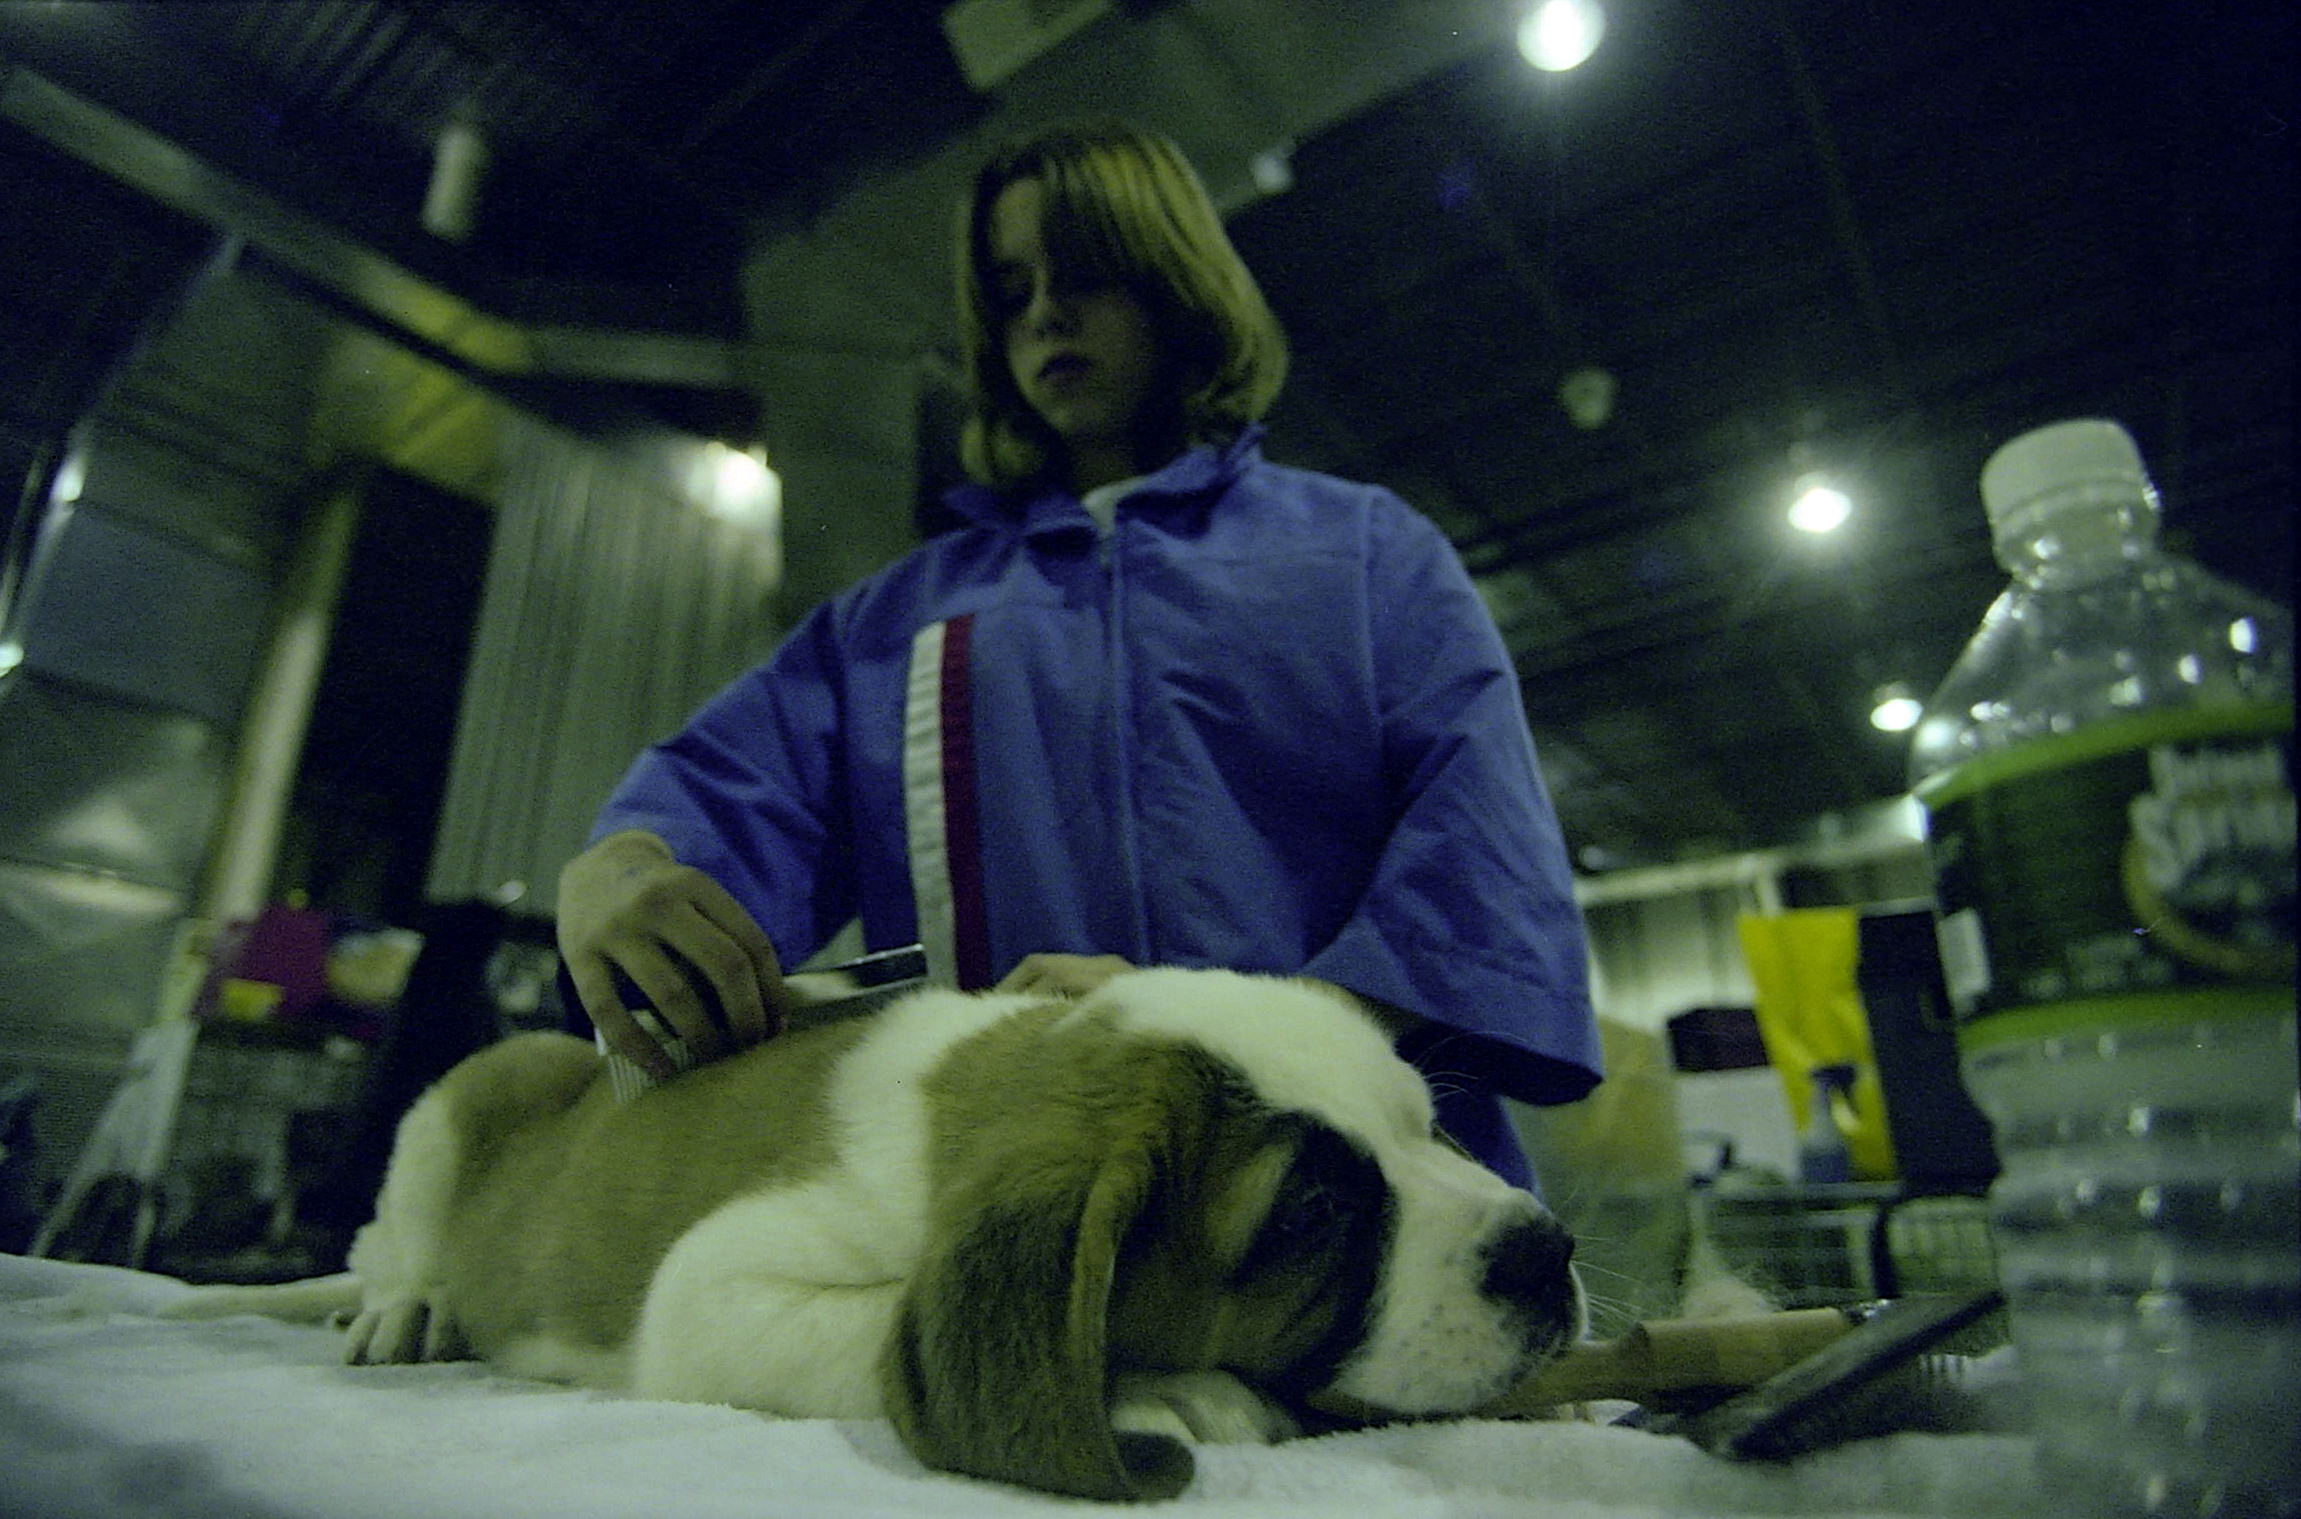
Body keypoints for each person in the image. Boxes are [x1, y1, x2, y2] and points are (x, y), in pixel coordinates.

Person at [555, 122, 1601, 1189]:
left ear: (1177, 282)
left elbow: (1481, 867)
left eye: (1087, 273)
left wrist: (1219, 1032)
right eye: (1010, 292)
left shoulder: (1368, 558)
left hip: (1362, 1199)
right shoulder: (889, 628)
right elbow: (725, 796)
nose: (1046, 313)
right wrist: (621, 869)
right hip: (1025, 1213)